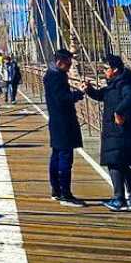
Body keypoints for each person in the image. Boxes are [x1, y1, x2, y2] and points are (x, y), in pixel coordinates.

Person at [83, 54, 131, 212]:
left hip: (120, 132)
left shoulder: (123, 85)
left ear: (115, 70)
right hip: (115, 132)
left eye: (106, 68)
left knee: (115, 164)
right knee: (122, 165)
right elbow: (100, 95)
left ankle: (119, 199)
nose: (103, 71)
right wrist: (89, 90)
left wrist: (118, 112)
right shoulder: (113, 85)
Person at [43, 48, 85, 207]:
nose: (70, 66)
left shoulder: (51, 74)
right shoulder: (57, 77)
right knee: (65, 158)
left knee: (57, 155)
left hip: (56, 121)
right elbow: (62, 99)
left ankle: (56, 190)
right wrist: (79, 93)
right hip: (63, 123)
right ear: (60, 62)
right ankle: (65, 194)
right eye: (68, 63)